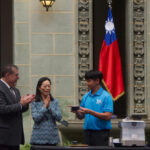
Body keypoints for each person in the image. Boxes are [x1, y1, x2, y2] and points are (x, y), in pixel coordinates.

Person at [71, 70, 113, 146]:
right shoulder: (86, 96)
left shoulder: (106, 96)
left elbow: (108, 116)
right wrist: (77, 112)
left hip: (101, 134)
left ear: (97, 81)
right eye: (86, 81)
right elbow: (81, 117)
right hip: (87, 134)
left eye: (89, 81)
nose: (87, 84)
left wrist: (90, 112)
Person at [0, 64, 35, 150]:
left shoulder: (16, 90)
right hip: (3, 138)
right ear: (8, 75)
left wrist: (26, 103)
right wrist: (20, 104)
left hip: (15, 137)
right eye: (16, 75)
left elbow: (18, 109)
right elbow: (2, 109)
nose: (18, 77)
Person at [30, 77, 62, 146]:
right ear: (39, 88)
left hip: (52, 138)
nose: (47, 88)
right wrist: (44, 106)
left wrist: (49, 107)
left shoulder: (55, 101)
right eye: (45, 86)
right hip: (38, 138)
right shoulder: (34, 102)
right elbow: (36, 118)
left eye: (49, 86)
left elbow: (59, 117)